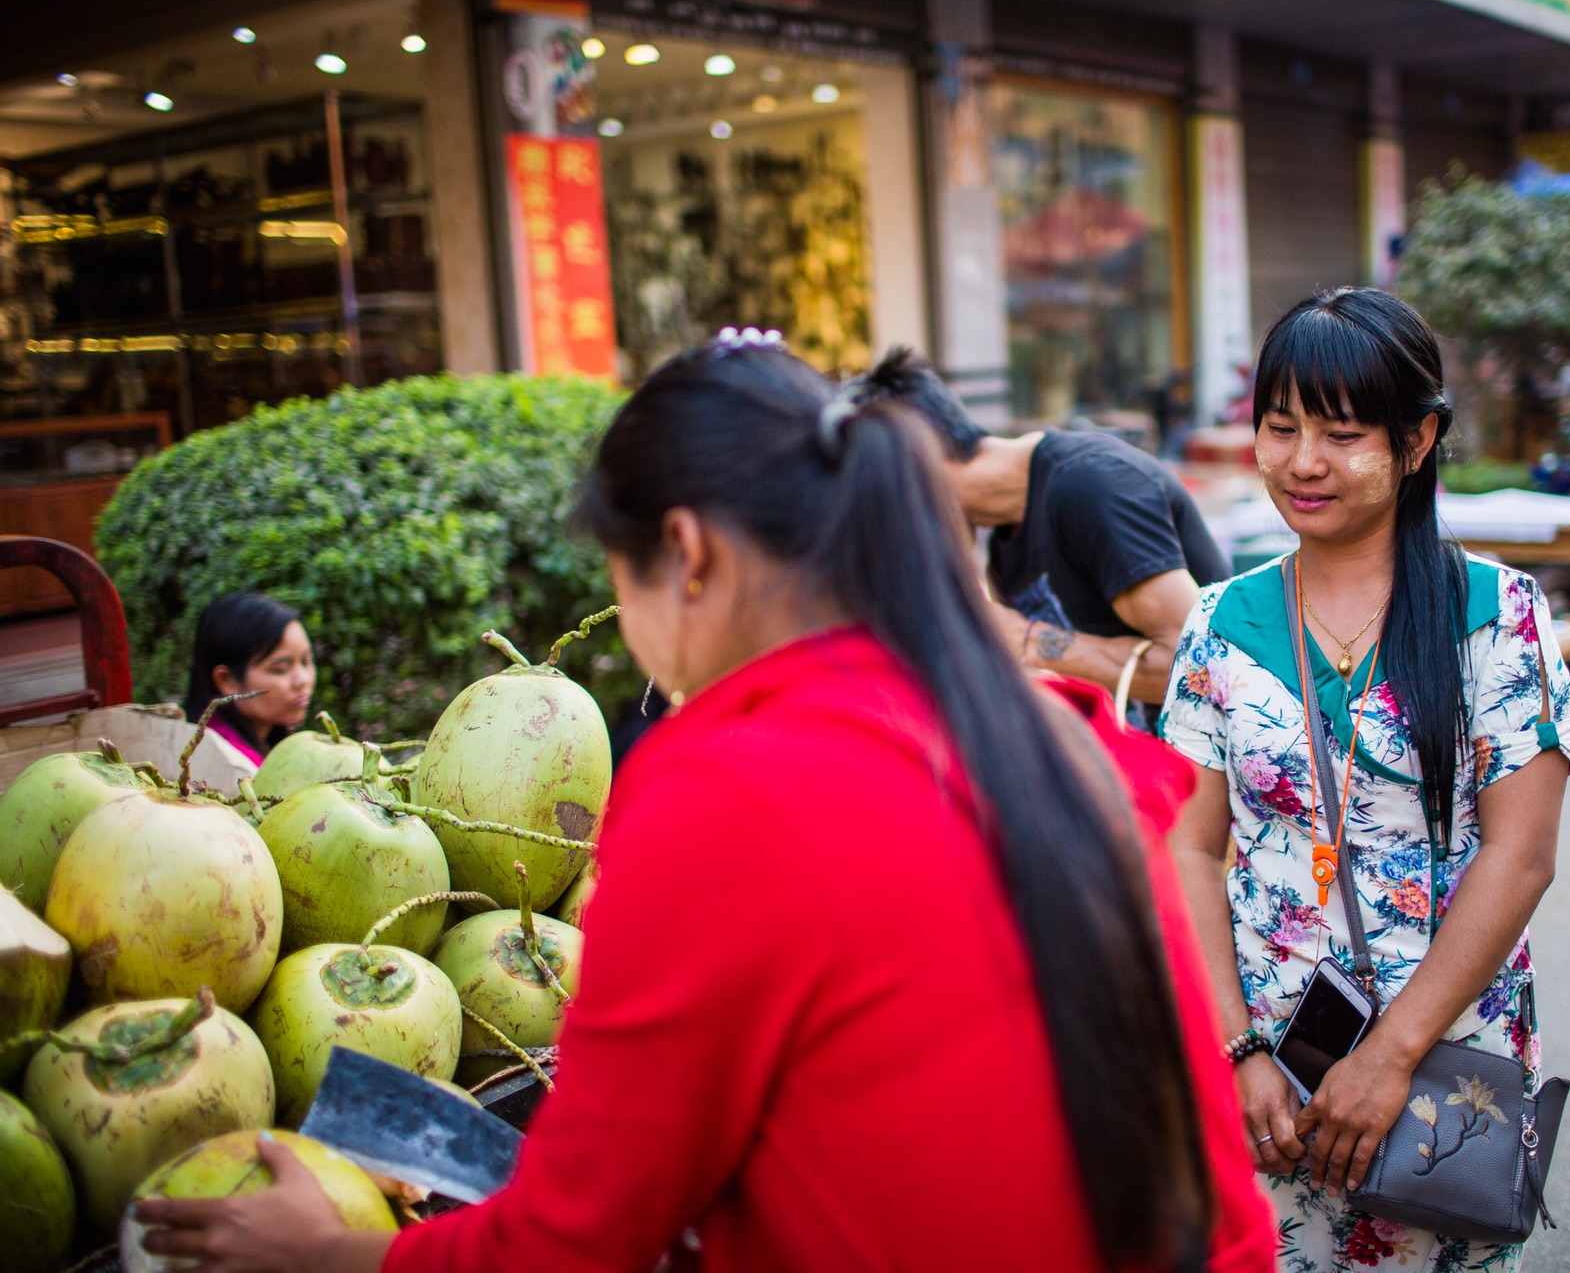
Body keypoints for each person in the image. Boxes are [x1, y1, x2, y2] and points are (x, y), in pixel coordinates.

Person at [135, 337, 1274, 1272]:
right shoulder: (1043, 733)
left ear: (682, 553)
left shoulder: (726, 793)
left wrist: (332, 1253)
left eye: (623, 589)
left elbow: (574, 1241)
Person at [1161, 288, 1570, 1271]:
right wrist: (1238, 1051)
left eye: (1342, 434)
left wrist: (1390, 1057)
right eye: (1280, 426)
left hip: (1446, 1059)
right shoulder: (1219, 623)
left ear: (1419, 439)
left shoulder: (1498, 613)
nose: (1303, 461)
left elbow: (1520, 856)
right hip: (1268, 1068)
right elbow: (1185, 843)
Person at [858, 347, 1230, 717]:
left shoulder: (1095, 486)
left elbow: (1204, 669)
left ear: (916, 458)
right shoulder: (1005, 548)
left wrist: (1024, 638)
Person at [183, 592, 316, 766]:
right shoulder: (226, 765)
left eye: (306, 661)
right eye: (280, 669)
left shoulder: (267, 745)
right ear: (226, 679)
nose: (302, 680)